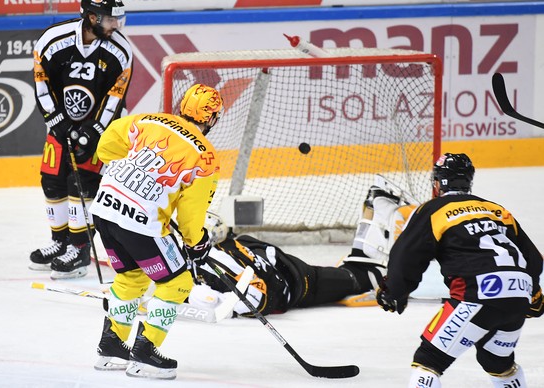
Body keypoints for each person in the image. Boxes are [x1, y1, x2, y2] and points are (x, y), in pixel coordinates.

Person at [90, 84, 223, 380]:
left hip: (104, 208)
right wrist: (196, 241)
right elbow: (191, 213)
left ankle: (111, 348)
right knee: (178, 283)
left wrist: (135, 179)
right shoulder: (206, 156)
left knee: (130, 277)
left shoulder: (148, 120)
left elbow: (106, 146)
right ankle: (146, 352)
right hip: (140, 222)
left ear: (181, 107)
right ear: (211, 118)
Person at [376, 153, 544, 388]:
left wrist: (394, 291)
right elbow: (533, 259)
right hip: (518, 294)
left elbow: (407, 255)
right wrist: (534, 295)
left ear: (437, 183)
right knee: (497, 362)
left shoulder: (433, 210)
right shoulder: (496, 210)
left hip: (477, 294)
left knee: (428, 360)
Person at [187, 183, 414, 316]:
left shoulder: (222, 257)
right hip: (290, 272)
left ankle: (379, 241)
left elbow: (264, 297)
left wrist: (219, 301)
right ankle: (374, 218)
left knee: (361, 278)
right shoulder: (218, 251)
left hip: (301, 281)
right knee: (346, 274)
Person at [29, 0, 133, 280]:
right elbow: (41, 82)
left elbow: (115, 98)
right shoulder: (53, 40)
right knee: (51, 181)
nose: (116, 26)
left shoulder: (120, 51)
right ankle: (60, 242)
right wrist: (56, 120)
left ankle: (79, 249)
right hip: (59, 124)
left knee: (82, 185)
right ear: (91, 17)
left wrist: (95, 131)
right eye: (111, 20)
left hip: (99, 132)